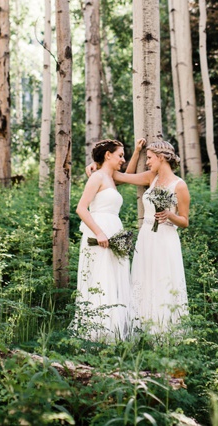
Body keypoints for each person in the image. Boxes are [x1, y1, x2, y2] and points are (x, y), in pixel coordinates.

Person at [108, 138, 191, 334]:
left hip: (166, 238)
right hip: (146, 237)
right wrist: (136, 151)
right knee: (143, 279)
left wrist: (170, 215)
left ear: (162, 158)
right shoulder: (149, 178)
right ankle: (143, 328)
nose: (147, 162)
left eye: (150, 158)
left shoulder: (179, 185)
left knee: (163, 280)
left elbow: (185, 221)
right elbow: (120, 177)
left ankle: (165, 330)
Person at [71, 139, 140, 341]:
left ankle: (115, 329)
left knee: (115, 278)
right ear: (107, 155)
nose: (123, 159)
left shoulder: (111, 177)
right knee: (101, 278)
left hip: (114, 231)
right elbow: (81, 208)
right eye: (120, 155)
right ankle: (97, 331)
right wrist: (99, 233)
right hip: (99, 233)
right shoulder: (97, 177)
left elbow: (129, 175)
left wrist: (136, 152)